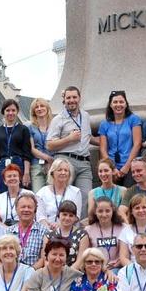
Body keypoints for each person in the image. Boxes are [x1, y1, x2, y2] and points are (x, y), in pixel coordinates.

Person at [46, 86, 94, 216]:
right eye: (68, 98)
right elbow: (49, 145)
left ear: (79, 98)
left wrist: (105, 140)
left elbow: (87, 137)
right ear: (64, 99)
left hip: (84, 162)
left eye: (74, 97)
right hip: (65, 162)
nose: (71, 100)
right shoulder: (58, 119)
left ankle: (80, 230)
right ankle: (61, 230)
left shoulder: (86, 116)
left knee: (85, 198)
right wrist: (69, 138)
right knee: (65, 197)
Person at [98, 89, 142, 186]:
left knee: (128, 194)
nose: (118, 105)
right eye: (115, 102)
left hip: (130, 164)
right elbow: (103, 148)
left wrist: (126, 167)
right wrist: (112, 168)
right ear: (110, 104)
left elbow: (137, 143)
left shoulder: (133, 119)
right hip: (112, 167)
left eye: (121, 102)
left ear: (126, 104)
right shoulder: (104, 124)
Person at [0, 98, 32, 190]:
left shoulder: (23, 129)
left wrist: (26, 173)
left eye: (13, 110)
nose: (10, 113)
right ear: (3, 112)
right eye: (7, 110)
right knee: (4, 194)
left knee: (19, 194)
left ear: (17, 112)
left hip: (19, 164)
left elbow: (27, 153)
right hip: (2, 165)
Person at [36, 157, 83, 229]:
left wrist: (60, 225)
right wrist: (49, 229)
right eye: (59, 170)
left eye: (66, 170)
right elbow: (40, 217)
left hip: (69, 232)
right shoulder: (42, 193)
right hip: (46, 231)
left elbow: (77, 216)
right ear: (52, 173)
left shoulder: (76, 192)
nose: (63, 173)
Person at [82, 196, 124, 272]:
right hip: (96, 269)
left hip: (118, 269)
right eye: (100, 211)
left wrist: (117, 264)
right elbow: (86, 255)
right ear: (95, 211)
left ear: (113, 210)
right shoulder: (88, 230)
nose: (104, 215)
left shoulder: (123, 228)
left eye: (107, 211)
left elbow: (126, 254)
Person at [8, 193, 48, 269]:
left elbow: (43, 259)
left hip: (34, 275)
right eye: (23, 207)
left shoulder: (44, 232)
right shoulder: (8, 232)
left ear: (35, 210)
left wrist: (27, 273)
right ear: (16, 209)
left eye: (29, 207)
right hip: (12, 275)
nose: (26, 210)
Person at [47, 200, 87, 266]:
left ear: (75, 218)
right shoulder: (49, 235)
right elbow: (45, 260)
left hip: (74, 274)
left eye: (71, 215)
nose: (67, 218)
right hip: (53, 273)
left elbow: (81, 260)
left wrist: (67, 274)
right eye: (64, 214)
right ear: (58, 215)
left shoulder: (82, 235)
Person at [28, 97, 55, 193]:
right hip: (36, 165)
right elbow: (32, 148)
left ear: (47, 108)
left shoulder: (54, 125)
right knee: (38, 194)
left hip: (53, 165)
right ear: (33, 111)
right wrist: (48, 158)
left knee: (53, 195)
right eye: (37, 107)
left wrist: (51, 162)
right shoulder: (30, 127)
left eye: (42, 106)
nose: (39, 109)